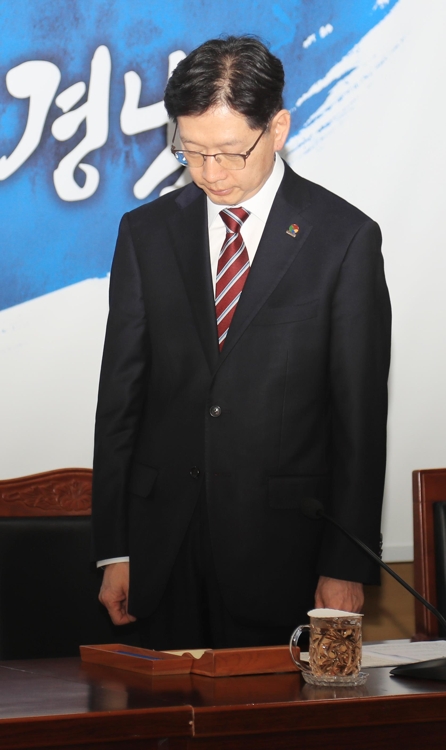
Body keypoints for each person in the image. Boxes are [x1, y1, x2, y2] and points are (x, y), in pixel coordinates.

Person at [91, 35, 391, 650]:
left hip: (284, 552)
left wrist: (346, 562)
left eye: (229, 152)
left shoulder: (343, 239)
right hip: (162, 549)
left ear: (277, 129)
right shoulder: (146, 233)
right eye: (191, 151)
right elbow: (120, 401)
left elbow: (359, 419)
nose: (210, 173)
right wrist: (115, 549)